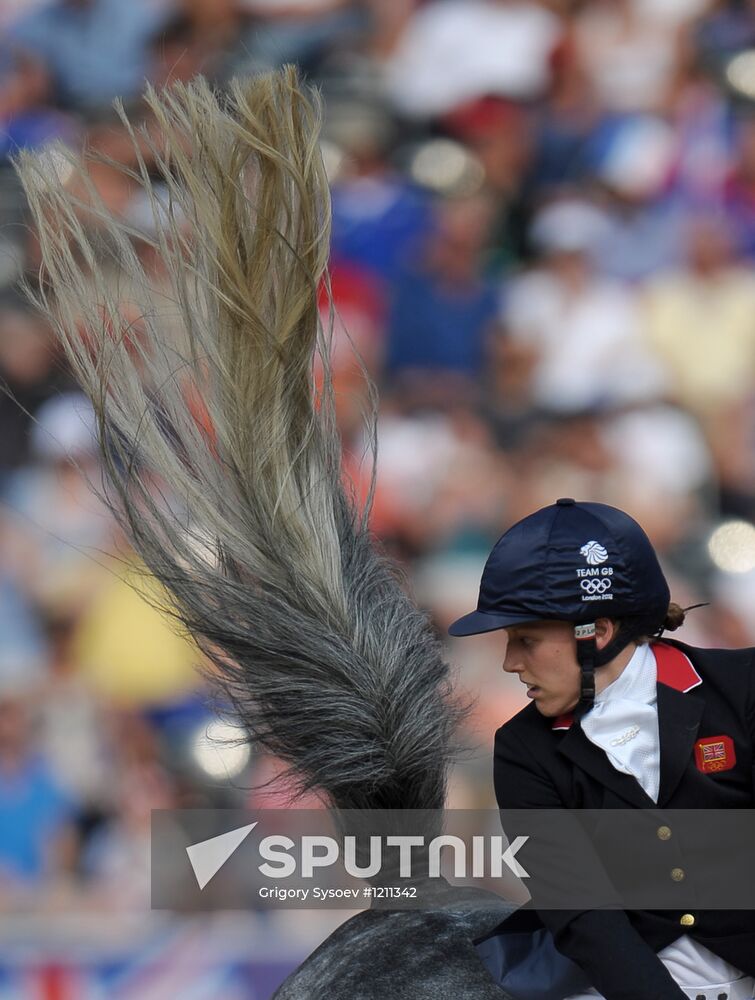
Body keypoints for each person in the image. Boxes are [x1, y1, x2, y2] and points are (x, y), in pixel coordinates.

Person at [449, 497, 755, 1000]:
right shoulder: (522, 750)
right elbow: (580, 912)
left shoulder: (740, 689)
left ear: (598, 632)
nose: (509, 662)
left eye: (525, 640)